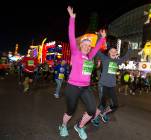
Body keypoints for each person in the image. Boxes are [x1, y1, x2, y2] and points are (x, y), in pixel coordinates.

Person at [58, 6, 106, 140]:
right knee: (70, 111)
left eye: (88, 45)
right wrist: (72, 19)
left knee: (92, 110)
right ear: (80, 46)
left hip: (85, 87)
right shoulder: (75, 53)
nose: (86, 46)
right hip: (72, 87)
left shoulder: (90, 57)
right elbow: (71, 36)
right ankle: (63, 125)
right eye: (84, 44)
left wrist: (101, 39)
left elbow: (96, 48)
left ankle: (79, 126)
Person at [91, 46, 131, 126]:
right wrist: (100, 38)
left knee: (115, 104)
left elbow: (125, 57)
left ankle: (103, 114)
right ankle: (94, 118)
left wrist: (129, 49)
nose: (113, 52)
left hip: (112, 86)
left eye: (115, 51)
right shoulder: (105, 58)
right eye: (111, 51)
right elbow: (97, 51)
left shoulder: (117, 61)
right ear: (109, 53)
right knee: (102, 104)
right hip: (103, 84)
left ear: (116, 53)